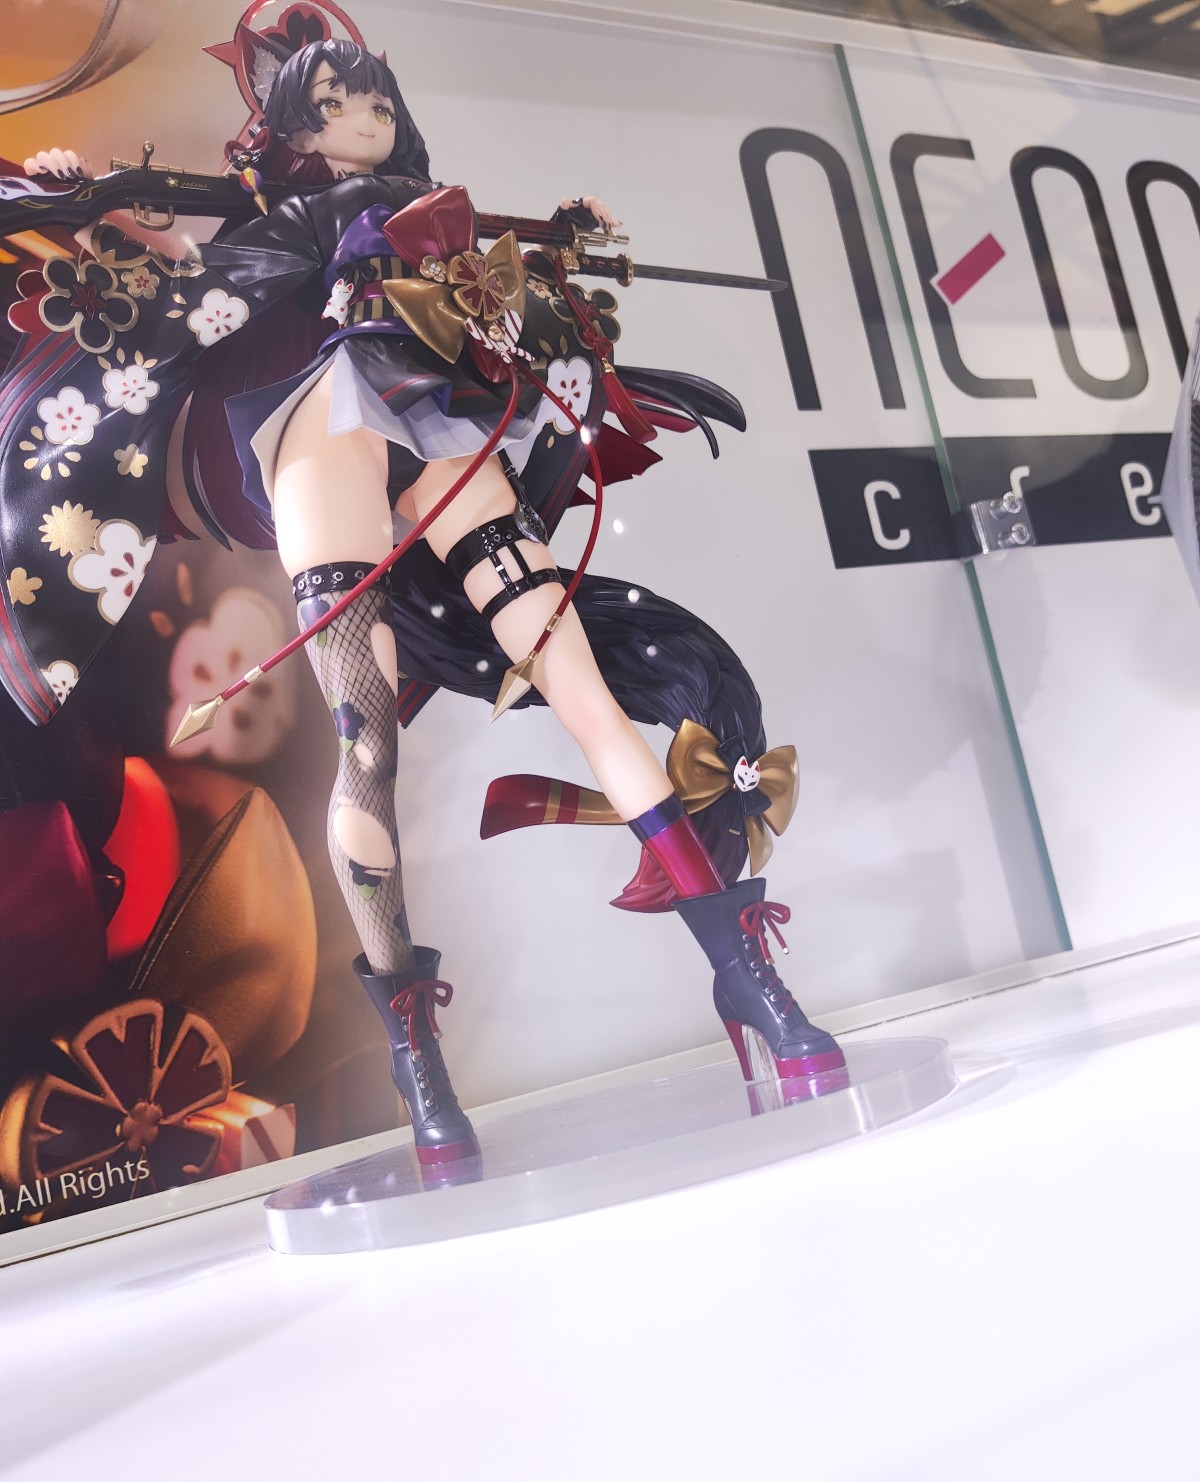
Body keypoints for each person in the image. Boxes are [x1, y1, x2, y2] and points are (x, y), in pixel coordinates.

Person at [11, 19, 844, 1167]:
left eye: (376, 101)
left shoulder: (429, 217)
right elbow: (198, 303)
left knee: (586, 688)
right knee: (367, 745)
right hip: (319, 425)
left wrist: (558, 248)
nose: (362, 116)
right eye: (333, 102)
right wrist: (72, 198)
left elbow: (509, 316)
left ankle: (745, 974)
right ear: (293, 121)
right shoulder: (282, 216)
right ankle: (415, 1049)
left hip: (435, 419)